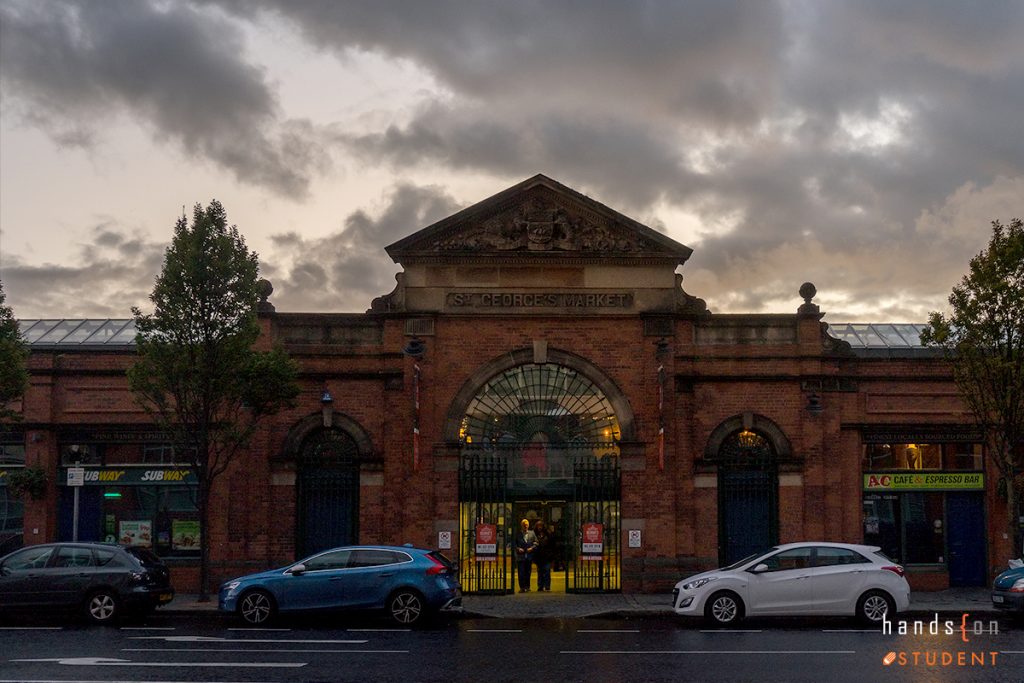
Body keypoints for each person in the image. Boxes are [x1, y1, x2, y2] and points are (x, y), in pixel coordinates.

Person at [514, 518, 537, 592]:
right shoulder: (518, 534)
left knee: (528, 572)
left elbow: (536, 543)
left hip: (529, 556)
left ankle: (527, 586)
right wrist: (518, 549)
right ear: (521, 526)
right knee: (521, 572)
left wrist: (532, 548)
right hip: (521, 556)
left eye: (526, 525)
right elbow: (514, 544)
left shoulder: (532, 533)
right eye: (524, 525)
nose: (525, 526)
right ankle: (522, 587)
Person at [533, 519, 553, 591]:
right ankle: (540, 586)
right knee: (540, 572)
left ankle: (547, 586)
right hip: (539, 556)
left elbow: (552, 545)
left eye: (541, 525)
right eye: (538, 525)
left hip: (547, 556)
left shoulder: (548, 534)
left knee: (547, 571)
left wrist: (551, 555)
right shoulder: (535, 535)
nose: (539, 527)